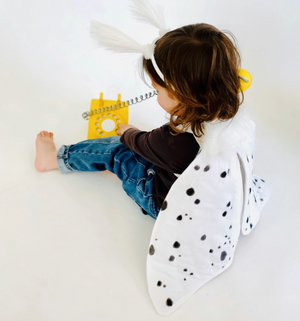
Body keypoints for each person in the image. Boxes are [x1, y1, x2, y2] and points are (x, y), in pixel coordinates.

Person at [35, 23, 243, 220]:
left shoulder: (173, 141)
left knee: (118, 150)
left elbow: (141, 142)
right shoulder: (229, 117)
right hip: (212, 204)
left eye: (157, 90)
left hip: (163, 206)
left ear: (178, 93)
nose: (155, 94)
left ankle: (54, 158)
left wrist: (128, 132)